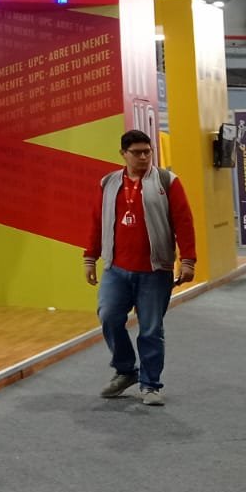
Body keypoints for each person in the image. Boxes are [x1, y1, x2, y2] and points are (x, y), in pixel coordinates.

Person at [83, 130, 198, 406]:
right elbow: (97, 221)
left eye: (147, 151)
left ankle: (150, 384)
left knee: (150, 329)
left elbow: (183, 222)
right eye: (137, 152)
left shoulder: (167, 181)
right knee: (109, 316)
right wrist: (90, 257)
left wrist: (188, 260)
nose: (144, 157)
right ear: (123, 154)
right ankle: (125, 371)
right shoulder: (108, 182)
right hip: (116, 269)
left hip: (155, 271)